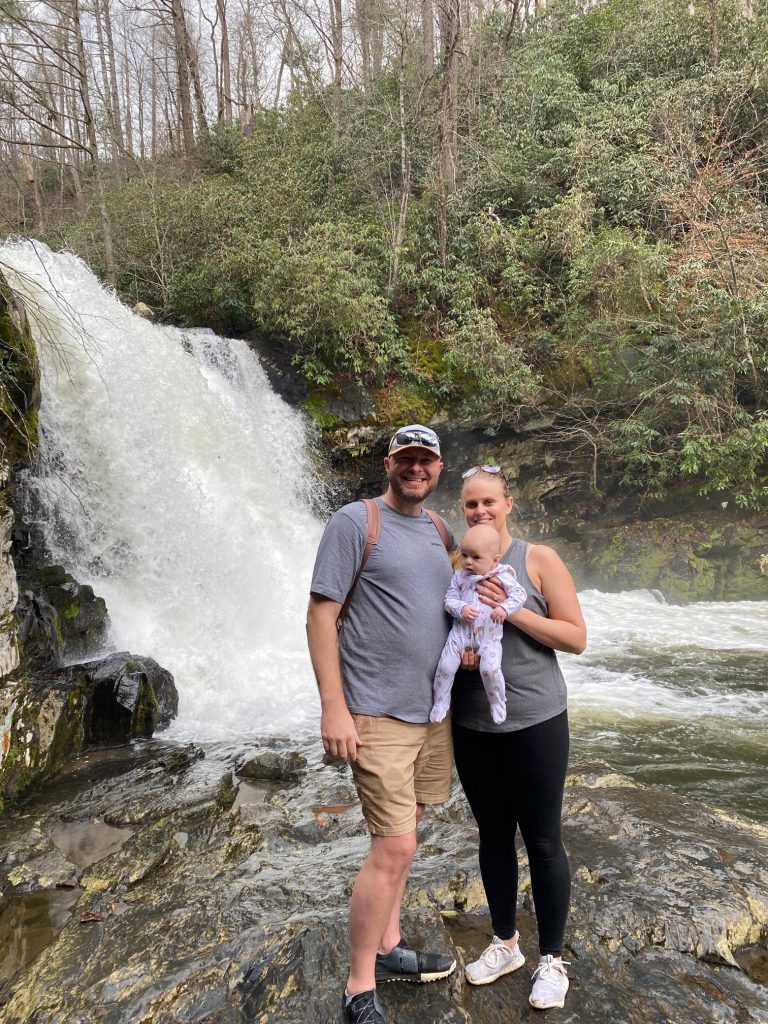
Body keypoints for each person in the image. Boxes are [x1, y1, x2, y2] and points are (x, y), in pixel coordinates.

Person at [306, 424, 458, 1024]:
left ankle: (390, 945)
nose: (416, 469)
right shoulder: (355, 522)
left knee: (409, 829)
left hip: (433, 713)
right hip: (376, 711)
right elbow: (321, 616)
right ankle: (358, 984)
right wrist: (333, 707)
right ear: (389, 464)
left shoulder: (440, 530)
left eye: (426, 461)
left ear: (438, 468)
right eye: (406, 459)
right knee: (394, 845)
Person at [450, 464, 587, 1011]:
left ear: (509, 504)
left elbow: (575, 637)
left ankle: (551, 958)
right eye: (471, 504)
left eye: (489, 502)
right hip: (473, 722)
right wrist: (461, 651)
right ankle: (505, 943)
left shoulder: (538, 559)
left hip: (536, 718)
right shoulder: (457, 562)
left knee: (544, 839)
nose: (480, 511)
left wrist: (514, 612)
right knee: (492, 834)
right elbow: (447, 627)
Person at [430, 523, 526, 724]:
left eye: (476, 557)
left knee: (490, 670)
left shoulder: (503, 575)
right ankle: (440, 702)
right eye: (464, 555)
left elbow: (519, 594)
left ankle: (497, 702)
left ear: (495, 560)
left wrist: (504, 608)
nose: (468, 562)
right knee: (445, 667)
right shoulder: (459, 576)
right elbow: (449, 599)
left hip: (488, 637)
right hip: (459, 635)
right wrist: (461, 608)